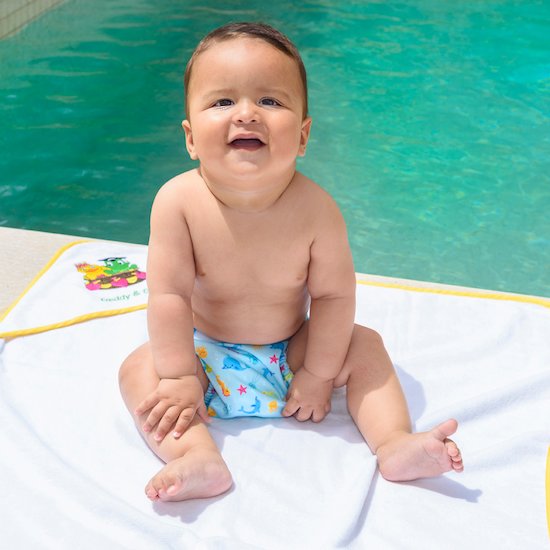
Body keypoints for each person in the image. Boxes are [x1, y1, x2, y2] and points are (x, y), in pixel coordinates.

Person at [118, 22, 463, 502]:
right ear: (191, 137)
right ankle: (195, 455)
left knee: (364, 346)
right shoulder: (177, 202)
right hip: (203, 357)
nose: (246, 114)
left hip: (292, 356)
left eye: (270, 101)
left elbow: (333, 296)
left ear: (302, 136)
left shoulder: (317, 210)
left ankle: (393, 442)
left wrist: (319, 373)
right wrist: (178, 376)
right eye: (222, 102)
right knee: (140, 368)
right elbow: (170, 295)